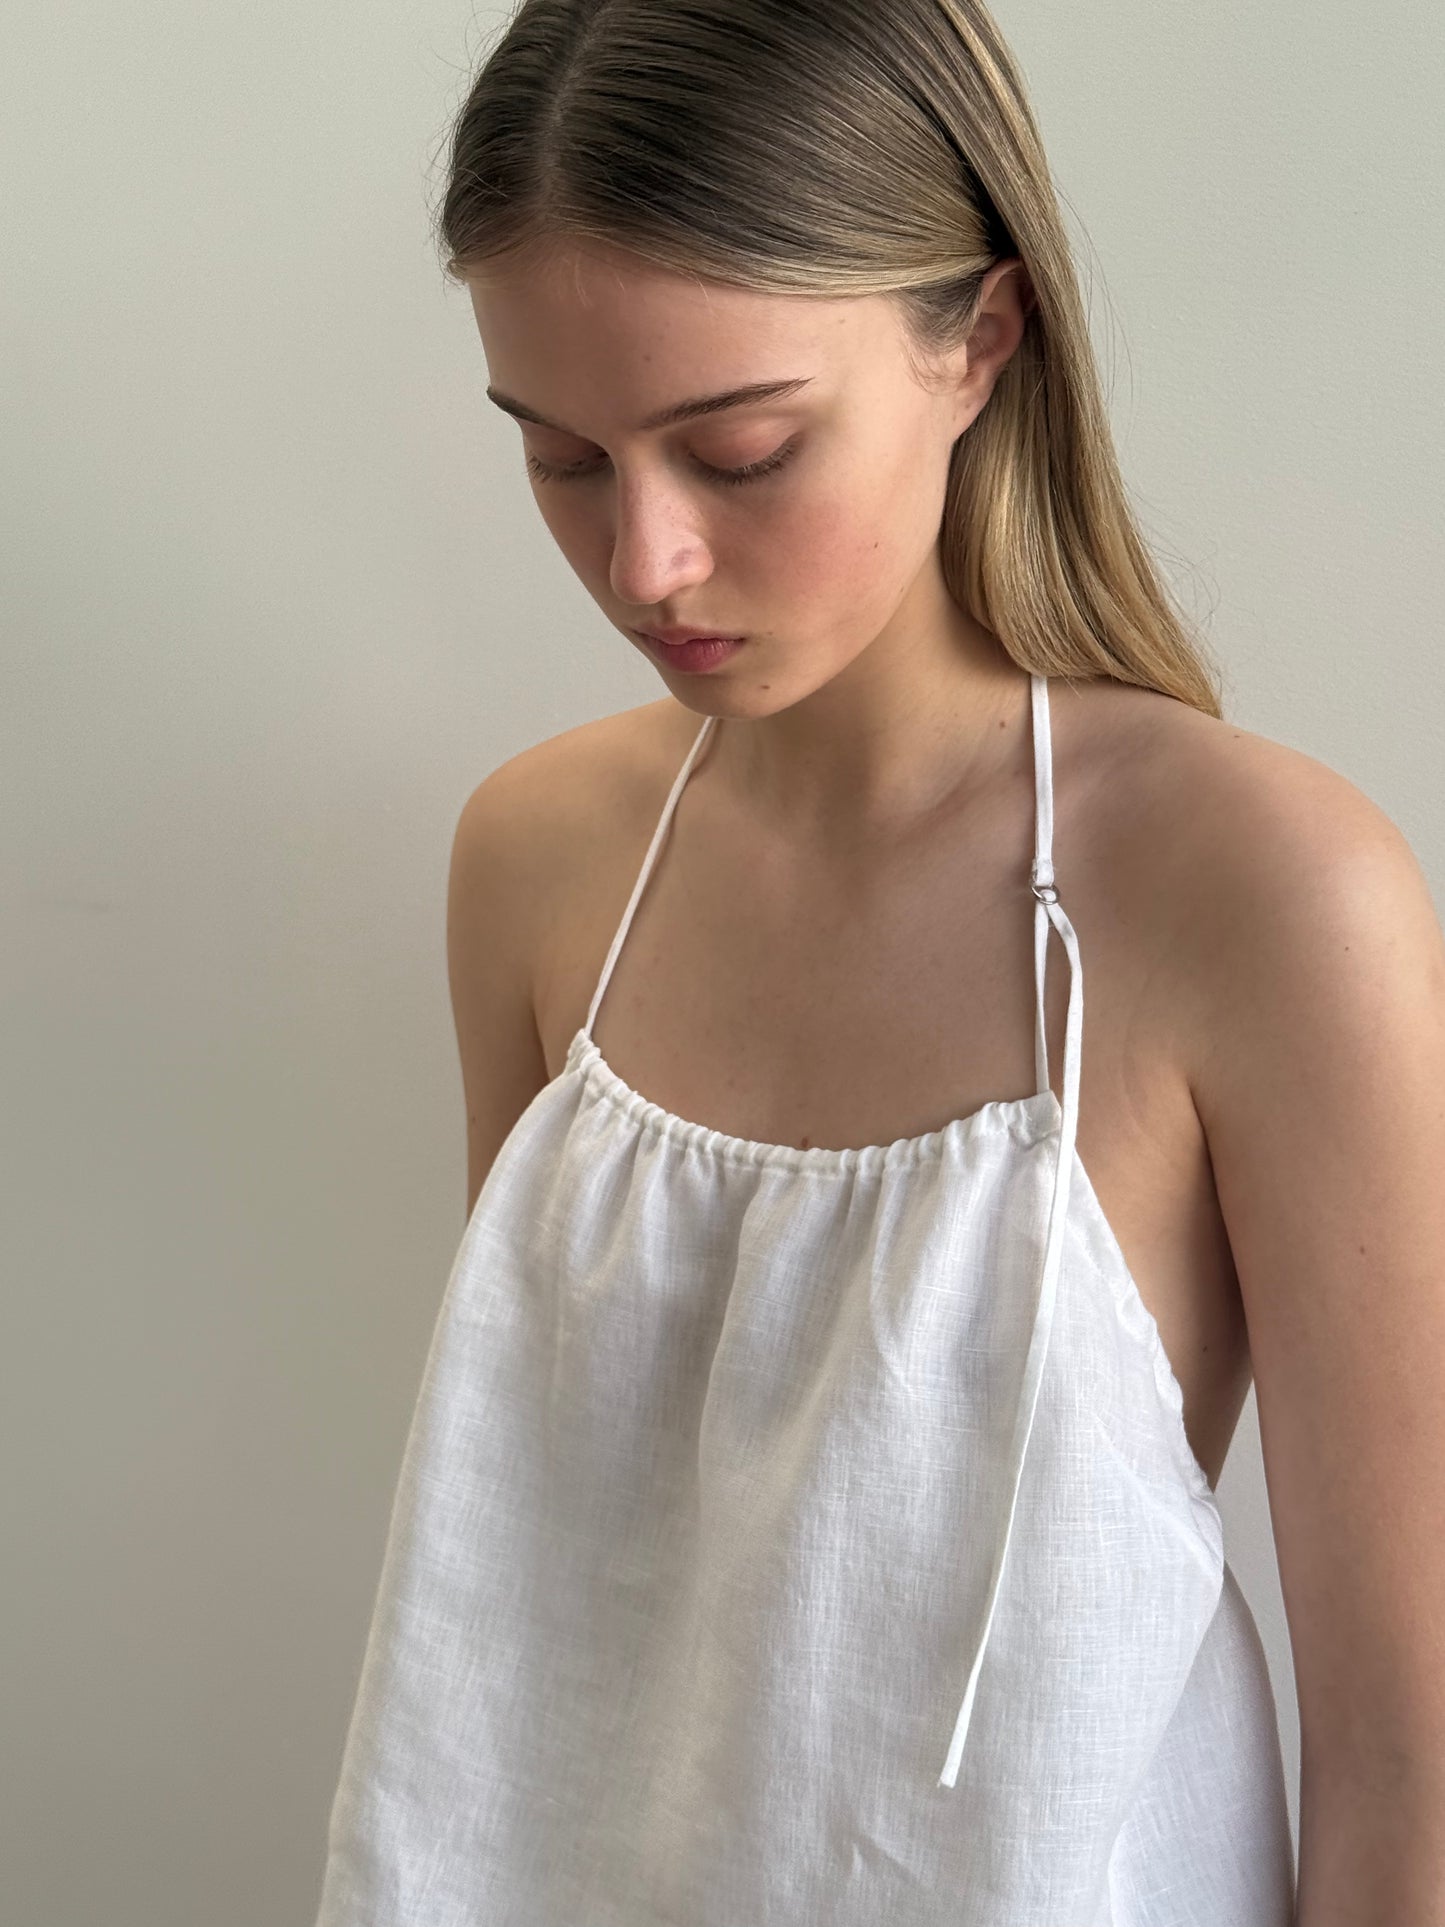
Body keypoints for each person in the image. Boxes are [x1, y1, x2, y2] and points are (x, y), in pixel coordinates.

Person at [313, 3, 1445, 1922]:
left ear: (977, 341)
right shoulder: (540, 864)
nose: (646, 560)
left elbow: (1411, 1762)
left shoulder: (1250, 892)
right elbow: (546, 1585)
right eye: (564, 459)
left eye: (739, 449)